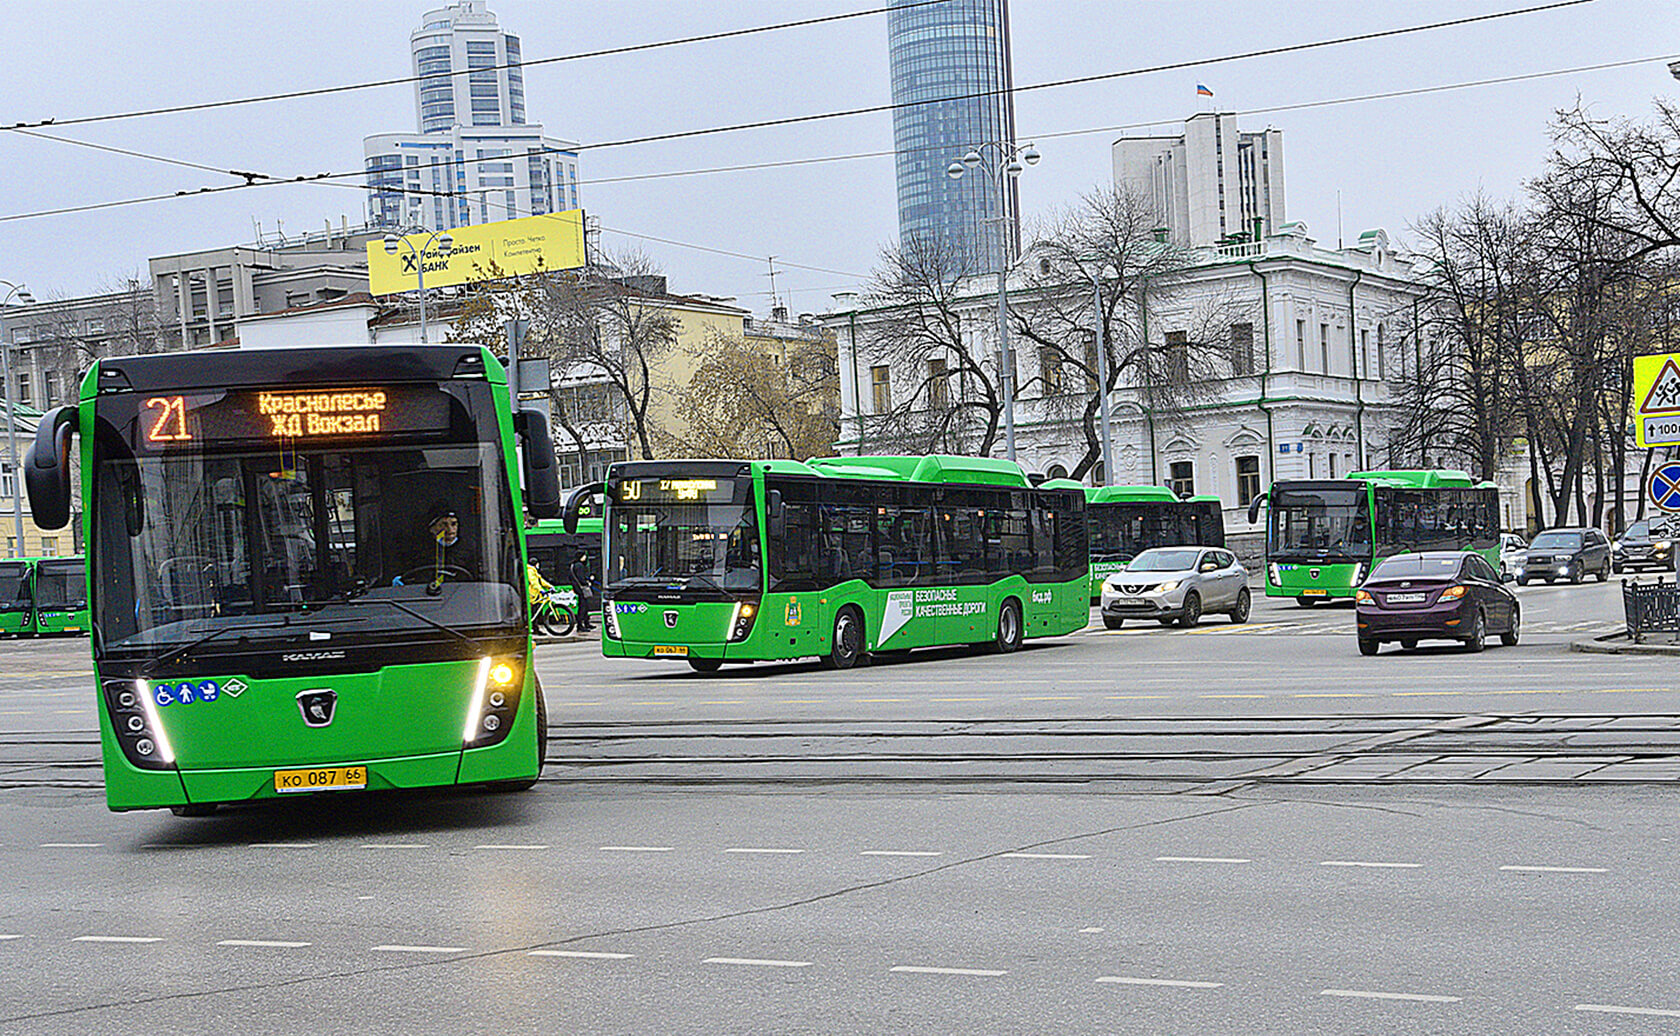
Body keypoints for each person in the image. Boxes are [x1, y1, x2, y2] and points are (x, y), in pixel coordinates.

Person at [568, 550, 596, 632]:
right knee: (583, 606)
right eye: (584, 556)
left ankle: (586, 623)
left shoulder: (573, 565)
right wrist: (587, 582)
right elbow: (581, 578)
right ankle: (581, 625)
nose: (585, 557)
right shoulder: (579, 566)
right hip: (581, 589)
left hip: (577, 588)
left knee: (584, 606)